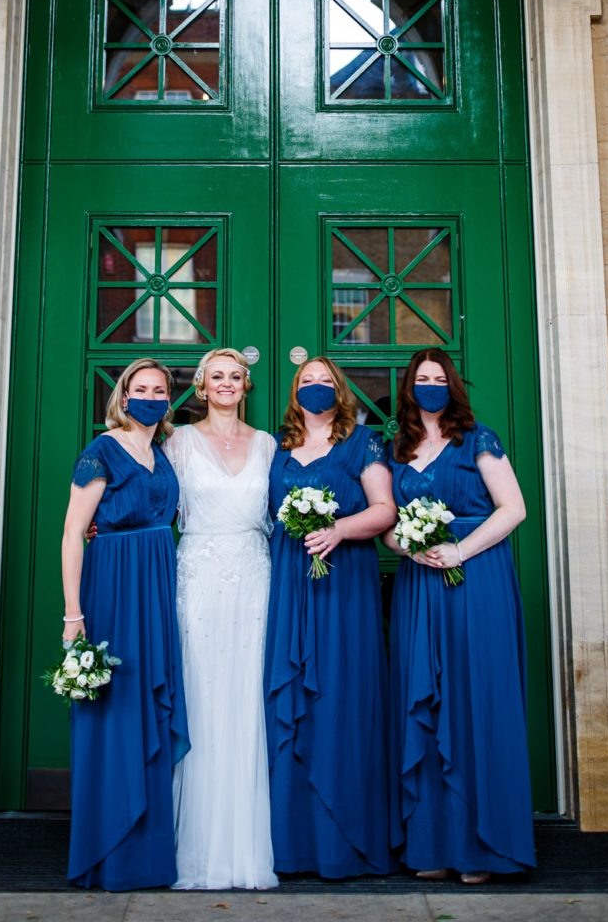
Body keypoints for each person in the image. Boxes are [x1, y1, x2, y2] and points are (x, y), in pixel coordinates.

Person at [383, 348, 535, 884]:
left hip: (476, 581)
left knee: (475, 703)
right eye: (421, 380)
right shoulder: (395, 448)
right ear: (408, 388)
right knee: (424, 706)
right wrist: (406, 544)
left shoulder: (479, 439)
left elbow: (513, 508)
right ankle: (433, 845)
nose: (430, 386)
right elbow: (386, 522)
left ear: (452, 385)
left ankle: (483, 847)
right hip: (420, 585)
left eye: (438, 379)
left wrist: (459, 551)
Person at [264, 355, 395, 878]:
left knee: (342, 700)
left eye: (325, 381)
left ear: (340, 391)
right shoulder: (275, 447)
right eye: (306, 381)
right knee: (288, 703)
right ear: (295, 391)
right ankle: (289, 844)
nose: (315, 388)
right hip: (287, 584)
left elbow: (384, 509)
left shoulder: (362, 443)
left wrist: (339, 529)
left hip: (344, 586)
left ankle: (347, 842)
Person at [60, 357, 188, 890]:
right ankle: (109, 848)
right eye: (142, 389)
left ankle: (150, 854)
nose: (152, 396)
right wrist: (74, 615)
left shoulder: (163, 453)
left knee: (151, 712)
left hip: (158, 587)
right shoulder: (102, 450)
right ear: (123, 395)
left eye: (160, 390)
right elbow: (72, 534)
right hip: (113, 588)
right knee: (114, 711)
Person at [164, 347, 277, 890]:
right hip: (199, 579)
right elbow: (154, 502)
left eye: (236, 376)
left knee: (247, 697)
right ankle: (197, 848)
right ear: (202, 387)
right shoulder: (179, 443)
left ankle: (247, 849)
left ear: (245, 385)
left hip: (254, 579)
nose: (227, 384)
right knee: (203, 694)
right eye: (217, 377)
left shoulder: (269, 445)